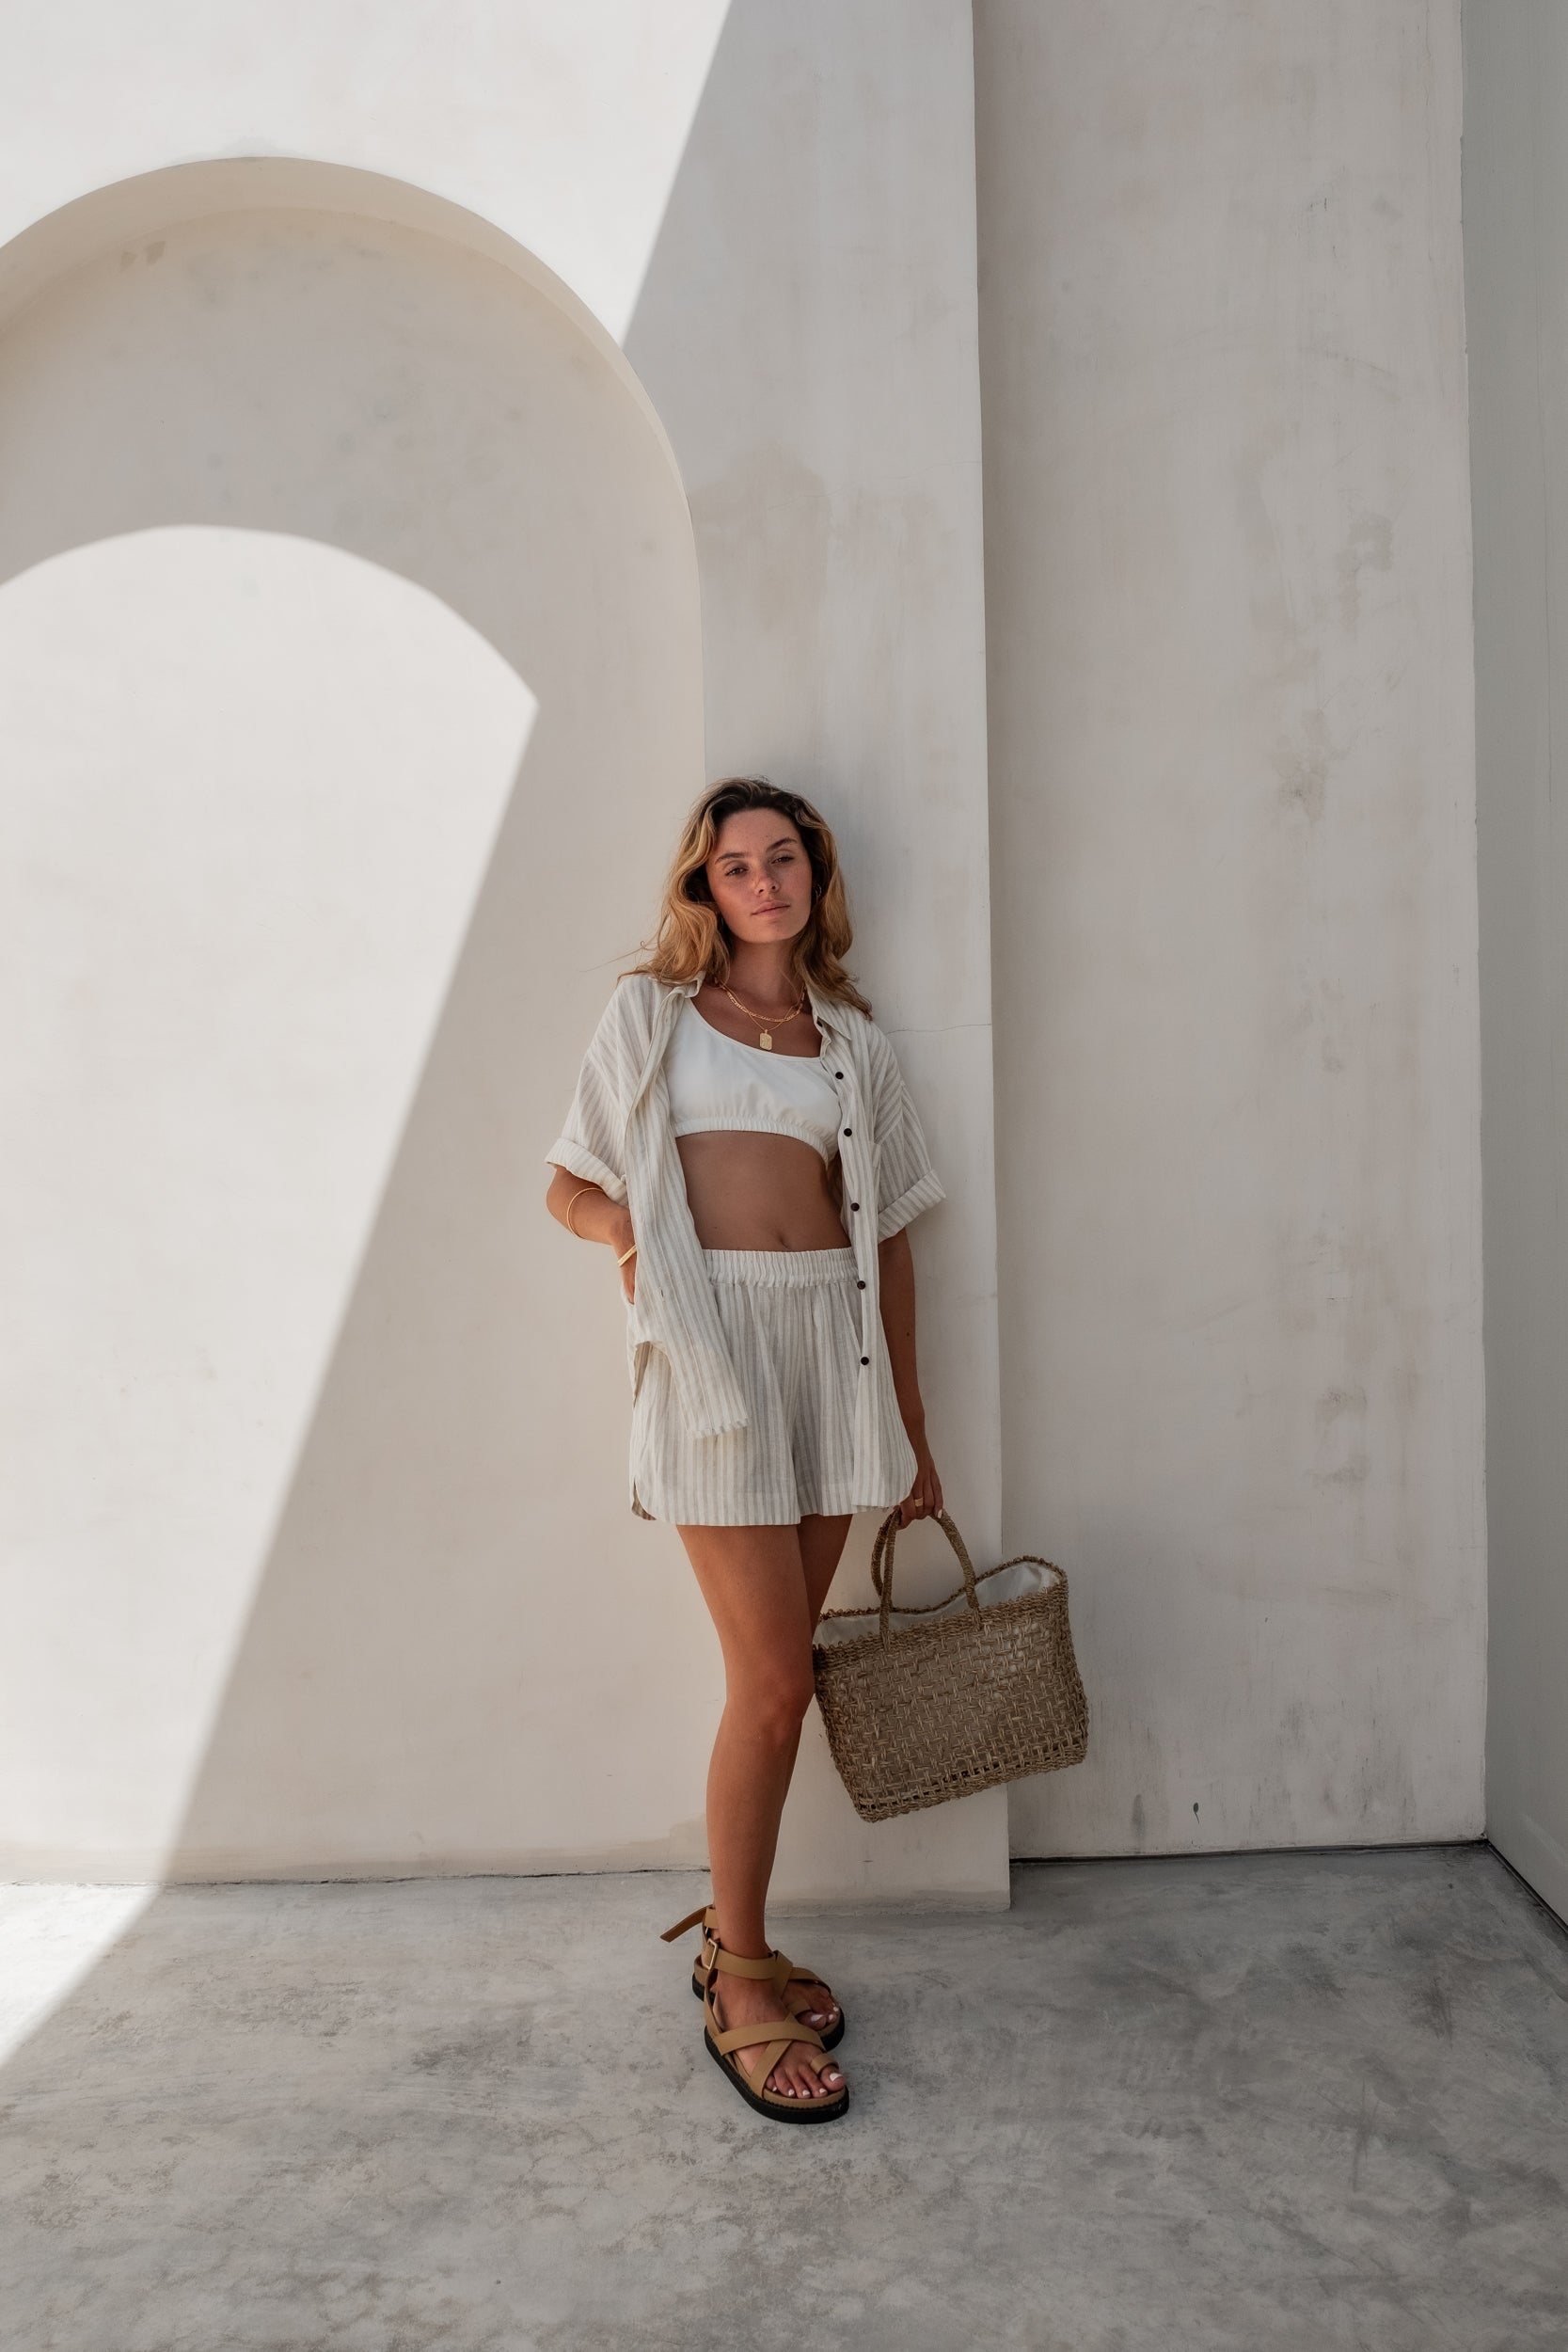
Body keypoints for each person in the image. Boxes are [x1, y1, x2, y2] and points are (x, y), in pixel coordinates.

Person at [544, 777, 945, 2124]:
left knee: (783, 1680)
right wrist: (638, 1245)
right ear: (701, 888)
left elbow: (886, 1235)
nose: (763, 881)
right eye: (735, 865)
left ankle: (738, 1938)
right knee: (772, 1683)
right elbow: (567, 1184)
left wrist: (914, 1429)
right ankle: (740, 1973)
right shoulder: (651, 1018)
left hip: (834, 1367)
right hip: (711, 1359)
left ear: (814, 881)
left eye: (784, 860)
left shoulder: (852, 1046)